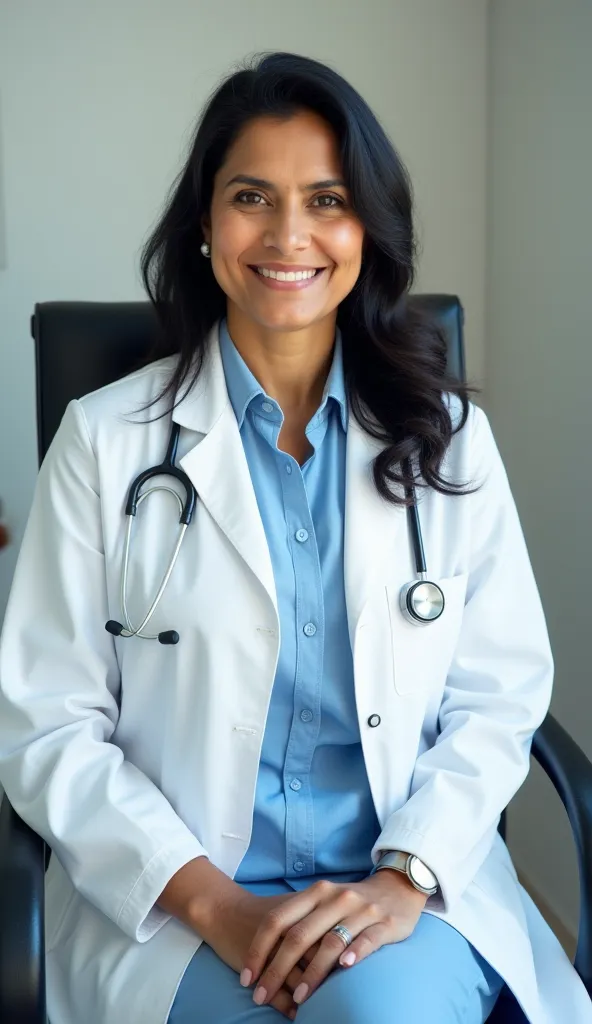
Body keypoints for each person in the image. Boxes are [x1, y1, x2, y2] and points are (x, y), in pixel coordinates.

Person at [0, 51, 589, 1024]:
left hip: (400, 890)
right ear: (204, 223)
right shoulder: (104, 443)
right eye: (250, 197)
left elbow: (498, 692)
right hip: (174, 900)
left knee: (376, 1014)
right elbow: (47, 722)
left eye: (326, 199)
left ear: (368, 227)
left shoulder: (447, 439)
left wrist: (405, 877)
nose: (287, 235)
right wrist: (215, 904)